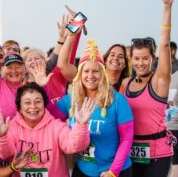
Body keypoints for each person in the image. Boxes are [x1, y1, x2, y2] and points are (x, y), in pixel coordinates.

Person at [57, 39, 134, 177]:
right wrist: (41, 85)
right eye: (86, 71)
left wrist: (113, 172)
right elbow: (46, 117)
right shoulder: (71, 100)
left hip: (114, 170)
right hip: (82, 170)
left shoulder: (118, 100)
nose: (90, 76)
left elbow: (127, 139)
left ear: (102, 74)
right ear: (80, 75)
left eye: (95, 71)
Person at [121, 0, 175, 176]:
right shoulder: (126, 83)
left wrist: (167, 7)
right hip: (130, 152)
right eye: (137, 58)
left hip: (158, 154)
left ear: (153, 59)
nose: (141, 63)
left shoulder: (160, 80)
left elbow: (165, 44)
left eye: (145, 58)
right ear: (131, 59)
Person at [0, 82, 93, 176]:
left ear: (44, 105)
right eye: (27, 102)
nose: (33, 106)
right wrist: (1, 137)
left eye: (38, 101)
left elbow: (74, 146)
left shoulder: (56, 126)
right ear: (20, 108)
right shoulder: (12, 127)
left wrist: (81, 125)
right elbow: (4, 154)